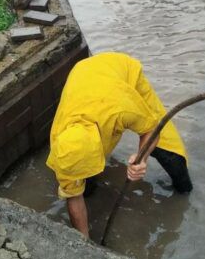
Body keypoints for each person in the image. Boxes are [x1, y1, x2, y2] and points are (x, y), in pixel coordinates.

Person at [46, 52, 193, 237]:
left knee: (169, 153)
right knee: (84, 188)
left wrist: (141, 159)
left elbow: (150, 129)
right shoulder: (61, 144)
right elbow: (73, 196)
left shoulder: (121, 107)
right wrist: (84, 242)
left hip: (121, 73)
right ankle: (89, 178)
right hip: (82, 75)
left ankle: (183, 187)